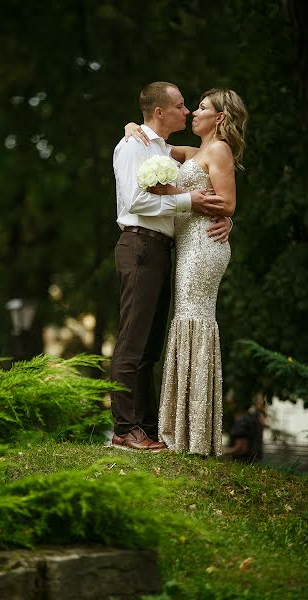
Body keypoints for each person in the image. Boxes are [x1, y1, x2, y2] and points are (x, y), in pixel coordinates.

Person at [110, 82, 233, 452]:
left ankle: (146, 428)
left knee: (149, 345)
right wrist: (188, 201)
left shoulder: (164, 149)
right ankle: (125, 429)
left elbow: (218, 174)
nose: (187, 112)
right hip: (140, 244)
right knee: (133, 340)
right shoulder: (133, 146)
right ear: (160, 112)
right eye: (181, 106)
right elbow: (135, 201)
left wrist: (226, 217)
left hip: (165, 248)